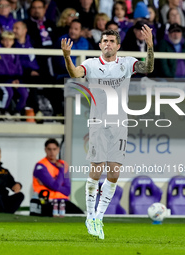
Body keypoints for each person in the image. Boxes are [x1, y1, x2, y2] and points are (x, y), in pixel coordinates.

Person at [61, 27, 154, 239]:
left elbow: (148, 67)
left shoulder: (127, 63)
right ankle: (90, 214)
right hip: (98, 123)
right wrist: (68, 57)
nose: (107, 44)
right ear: (100, 44)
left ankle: (99, 217)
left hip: (120, 124)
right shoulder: (91, 64)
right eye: (104, 41)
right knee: (96, 168)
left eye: (111, 41)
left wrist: (150, 46)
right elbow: (75, 73)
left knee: (113, 172)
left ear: (118, 45)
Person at [33, 138, 84, 214]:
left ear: (58, 150)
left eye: (54, 149)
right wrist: (61, 170)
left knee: (80, 214)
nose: (52, 152)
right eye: (49, 149)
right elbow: (55, 186)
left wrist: (59, 172)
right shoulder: (41, 166)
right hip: (47, 201)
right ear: (45, 150)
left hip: (63, 201)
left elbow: (67, 190)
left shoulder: (63, 165)